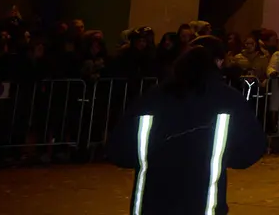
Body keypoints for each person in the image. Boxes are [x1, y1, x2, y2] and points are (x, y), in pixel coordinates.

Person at [109, 35, 268, 215]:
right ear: (218, 62)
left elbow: (119, 150)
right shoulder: (227, 100)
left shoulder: (153, 97)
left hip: (152, 203)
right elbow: (251, 150)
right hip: (203, 204)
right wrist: (221, 157)